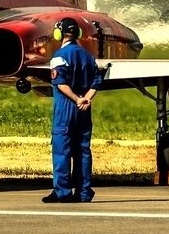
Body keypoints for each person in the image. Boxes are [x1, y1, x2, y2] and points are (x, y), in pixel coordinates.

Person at [42, 17, 101, 203]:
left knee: (62, 151)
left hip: (66, 108)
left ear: (59, 33)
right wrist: (86, 99)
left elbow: (61, 84)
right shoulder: (88, 57)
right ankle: (83, 193)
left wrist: (76, 99)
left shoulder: (59, 57)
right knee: (83, 151)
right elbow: (97, 81)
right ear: (78, 33)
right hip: (84, 109)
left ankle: (63, 192)